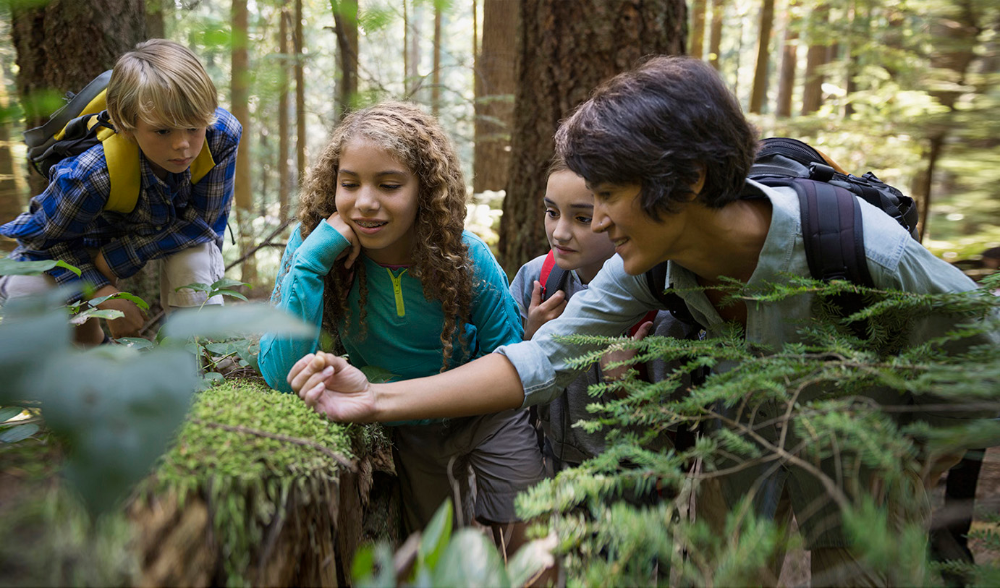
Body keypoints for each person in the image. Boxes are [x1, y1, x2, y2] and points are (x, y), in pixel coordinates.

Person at [288, 57, 997, 585]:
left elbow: (982, 348)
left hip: (863, 455)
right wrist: (374, 399)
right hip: (739, 443)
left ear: (685, 182)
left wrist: (932, 442)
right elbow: (540, 360)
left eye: (607, 195)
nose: (594, 222)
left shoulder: (858, 248)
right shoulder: (645, 264)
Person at [257, 101, 545, 555]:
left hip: (489, 417)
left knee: (533, 534)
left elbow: (508, 356)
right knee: (436, 548)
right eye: (348, 183)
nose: (365, 202)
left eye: (389, 185)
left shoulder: (463, 257)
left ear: (425, 191)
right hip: (411, 424)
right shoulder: (314, 248)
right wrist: (311, 264)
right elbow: (279, 373)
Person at [0, 39, 241, 344]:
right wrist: (101, 291)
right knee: (27, 292)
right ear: (127, 124)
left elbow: (201, 224)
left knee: (195, 261)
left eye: (194, 127)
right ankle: (86, 349)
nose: (183, 145)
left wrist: (110, 262)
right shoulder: (91, 173)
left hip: (163, 241)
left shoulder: (220, 138)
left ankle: (195, 355)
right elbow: (41, 241)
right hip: (78, 247)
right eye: (163, 130)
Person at [511, 157, 688, 474]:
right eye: (552, 212)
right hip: (553, 465)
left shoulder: (660, 303)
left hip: (636, 481)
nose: (560, 233)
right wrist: (529, 337)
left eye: (582, 218)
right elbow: (509, 384)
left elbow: (679, 432)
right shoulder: (537, 278)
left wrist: (626, 385)